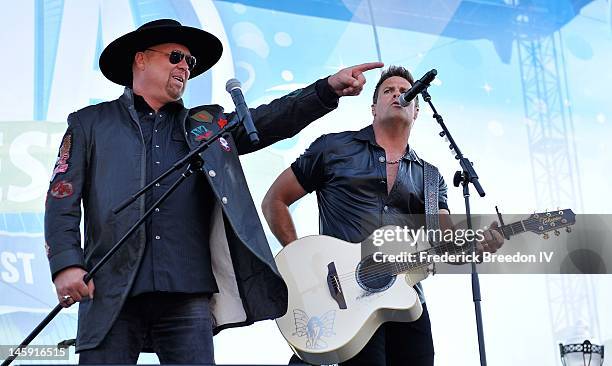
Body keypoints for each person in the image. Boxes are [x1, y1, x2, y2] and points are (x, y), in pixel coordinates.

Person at [44, 18, 383, 364]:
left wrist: (326, 89)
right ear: (140, 59)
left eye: (189, 63)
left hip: (187, 292)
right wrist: (66, 265)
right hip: (109, 287)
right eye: (176, 57)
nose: (185, 68)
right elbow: (62, 198)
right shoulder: (89, 123)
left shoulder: (207, 125)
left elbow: (267, 120)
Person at [261, 65, 504, 366]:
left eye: (405, 92)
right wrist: (299, 263)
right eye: (388, 91)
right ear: (373, 108)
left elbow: (447, 243)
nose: (398, 95)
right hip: (343, 300)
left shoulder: (430, 177)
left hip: (405, 298)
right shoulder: (334, 148)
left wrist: (477, 244)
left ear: (416, 111)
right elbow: (275, 200)